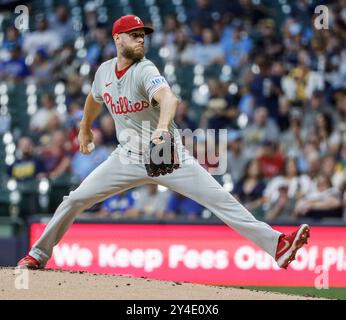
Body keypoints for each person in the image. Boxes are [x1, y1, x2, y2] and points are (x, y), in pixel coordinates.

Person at [18, 15, 310, 271]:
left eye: (143, 36)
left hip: (166, 155)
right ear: (117, 38)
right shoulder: (104, 72)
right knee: (75, 199)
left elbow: (168, 98)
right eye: (134, 35)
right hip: (127, 157)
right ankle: (38, 255)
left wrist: (160, 129)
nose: (140, 40)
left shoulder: (145, 69)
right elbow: (94, 99)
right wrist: (84, 127)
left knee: (222, 201)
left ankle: (278, 246)